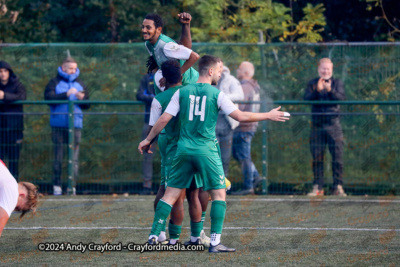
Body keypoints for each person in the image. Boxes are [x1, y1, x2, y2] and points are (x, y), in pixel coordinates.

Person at [138, 55, 289, 253]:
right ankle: (215, 243)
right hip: (206, 151)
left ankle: (153, 236)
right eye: (219, 70)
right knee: (219, 194)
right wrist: (268, 115)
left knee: (170, 194)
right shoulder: (215, 93)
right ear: (210, 71)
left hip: (183, 150)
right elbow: (240, 116)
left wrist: (148, 139)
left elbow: (164, 119)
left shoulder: (182, 92)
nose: (220, 73)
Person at [44, 57, 90, 196]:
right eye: (70, 68)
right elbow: (48, 98)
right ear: (63, 68)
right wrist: (66, 94)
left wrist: (83, 99)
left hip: (75, 125)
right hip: (58, 125)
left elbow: (87, 104)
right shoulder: (54, 82)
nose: (73, 71)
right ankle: (57, 186)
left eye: (75, 68)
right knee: (58, 157)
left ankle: (72, 186)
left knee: (74, 158)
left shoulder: (80, 83)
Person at [304, 58, 346, 197]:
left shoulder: (337, 83)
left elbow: (341, 98)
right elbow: (306, 98)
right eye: (323, 69)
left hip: (334, 125)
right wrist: (317, 90)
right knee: (317, 157)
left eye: (328, 69)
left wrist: (330, 90)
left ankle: (337, 187)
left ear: (332, 69)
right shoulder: (312, 83)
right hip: (317, 125)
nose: (325, 71)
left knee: (337, 157)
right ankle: (318, 187)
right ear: (318, 69)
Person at [142, 13, 199, 94]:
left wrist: (175, 75)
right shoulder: (148, 44)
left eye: (148, 27)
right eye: (143, 27)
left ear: (158, 29)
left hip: (191, 83)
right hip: (177, 85)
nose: (144, 30)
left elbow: (194, 56)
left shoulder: (166, 45)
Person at [231, 61, 262, 195]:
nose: (237, 71)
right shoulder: (254, 86)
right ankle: (255, 176)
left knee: (244, 156)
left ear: (246, 73)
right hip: (250, 125)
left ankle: (249, 185)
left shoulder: (245, 87)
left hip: (244, 126)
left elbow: (240, 108)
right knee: (240, 155)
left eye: (239, 69)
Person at [215, 60, 244, 177]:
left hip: (228, 124)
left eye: (221, 67)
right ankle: (211, 186)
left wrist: (222, 98)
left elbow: (240, 95)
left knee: (225, 157)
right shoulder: (207, 80)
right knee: (213, 155)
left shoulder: (231, 80)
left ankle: (223, 184)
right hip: (211, 124)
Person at [0, 61, 26, 180]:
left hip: (14, 129)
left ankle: (14, 186)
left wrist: (4, 96)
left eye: (5, 71)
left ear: (9, 72)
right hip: (1, 130)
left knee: (13, 160)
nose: (3, 74)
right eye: (0, 71)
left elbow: (21, 97)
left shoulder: (18, 85)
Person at [0, 159, 38, 238]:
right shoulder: (13, 193)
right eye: (17, 207)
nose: (12, 209)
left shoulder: (7, 178)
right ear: (22, 195)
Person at [136, 73, 157, 195]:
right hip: (149, 122)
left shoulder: (169, 74)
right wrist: (154, 99)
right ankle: (147, 185)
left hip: (167, 123)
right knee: (147, 155)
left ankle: (169, 184)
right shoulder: (146, 78)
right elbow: (139, 95)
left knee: (170, 154)